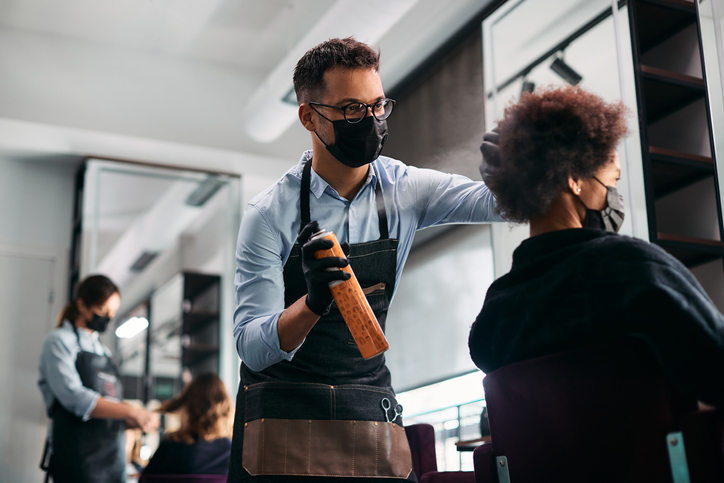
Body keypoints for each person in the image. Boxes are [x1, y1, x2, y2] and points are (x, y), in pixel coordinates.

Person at [228, 37, 502, 482]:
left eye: (378, 106)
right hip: (282, 416)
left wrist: (515, 169)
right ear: (309, 116)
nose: (371, 120)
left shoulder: (405, 189)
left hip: (366, 400)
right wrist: (312, 304)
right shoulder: (267, 214)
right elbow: (251, 347)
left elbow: (502, 204)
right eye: (352, 109)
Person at [468, 85, 724, 407]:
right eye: (611, 182)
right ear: (574, 178)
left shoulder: (494, 317)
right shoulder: (634, 269)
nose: (613, 197)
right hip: (652, 457)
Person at [38, 274, 159, 483]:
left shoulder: (103, 352)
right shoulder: (59, 342)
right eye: (103, 311)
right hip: (76, 458)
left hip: (113, 460)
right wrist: (130, 410)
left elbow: (109, 405)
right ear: (82, 305)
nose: (108, 317)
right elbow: (74, 397)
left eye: (113, 312)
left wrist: (129, 420)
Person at [141, 373, 233, 477]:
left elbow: (145, 480)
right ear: (226, 408)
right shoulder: (233, 452)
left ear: (189, 406)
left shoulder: (172, 445)